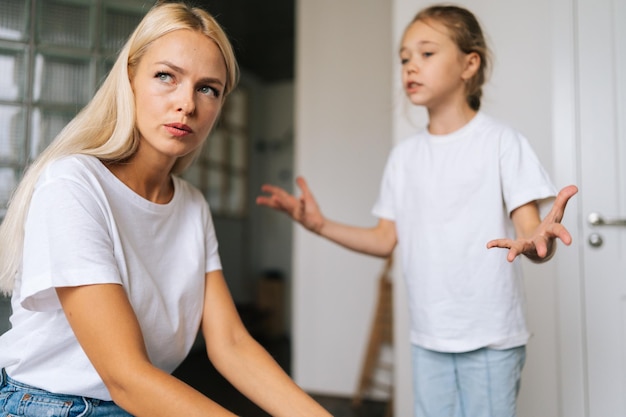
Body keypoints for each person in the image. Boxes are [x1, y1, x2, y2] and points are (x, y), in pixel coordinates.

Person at [0, 2, 332, 417]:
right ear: (130, 80)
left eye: (207, 88)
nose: (187, 104)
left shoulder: (191, 206)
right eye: (165, 77)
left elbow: (230, 344)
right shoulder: (74, 184)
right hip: (52, 404)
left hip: (137, 401)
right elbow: (126, 375)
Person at [257, 4, 578, 417]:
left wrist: (540, 244)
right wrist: (319, 225)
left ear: (469, 64)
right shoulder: (404, 157)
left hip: (492, 337)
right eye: (404, 57)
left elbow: (531, 236)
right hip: (428, 337)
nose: (410, 66)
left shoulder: (501, 142)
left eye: (426, 54)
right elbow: (384, 239)